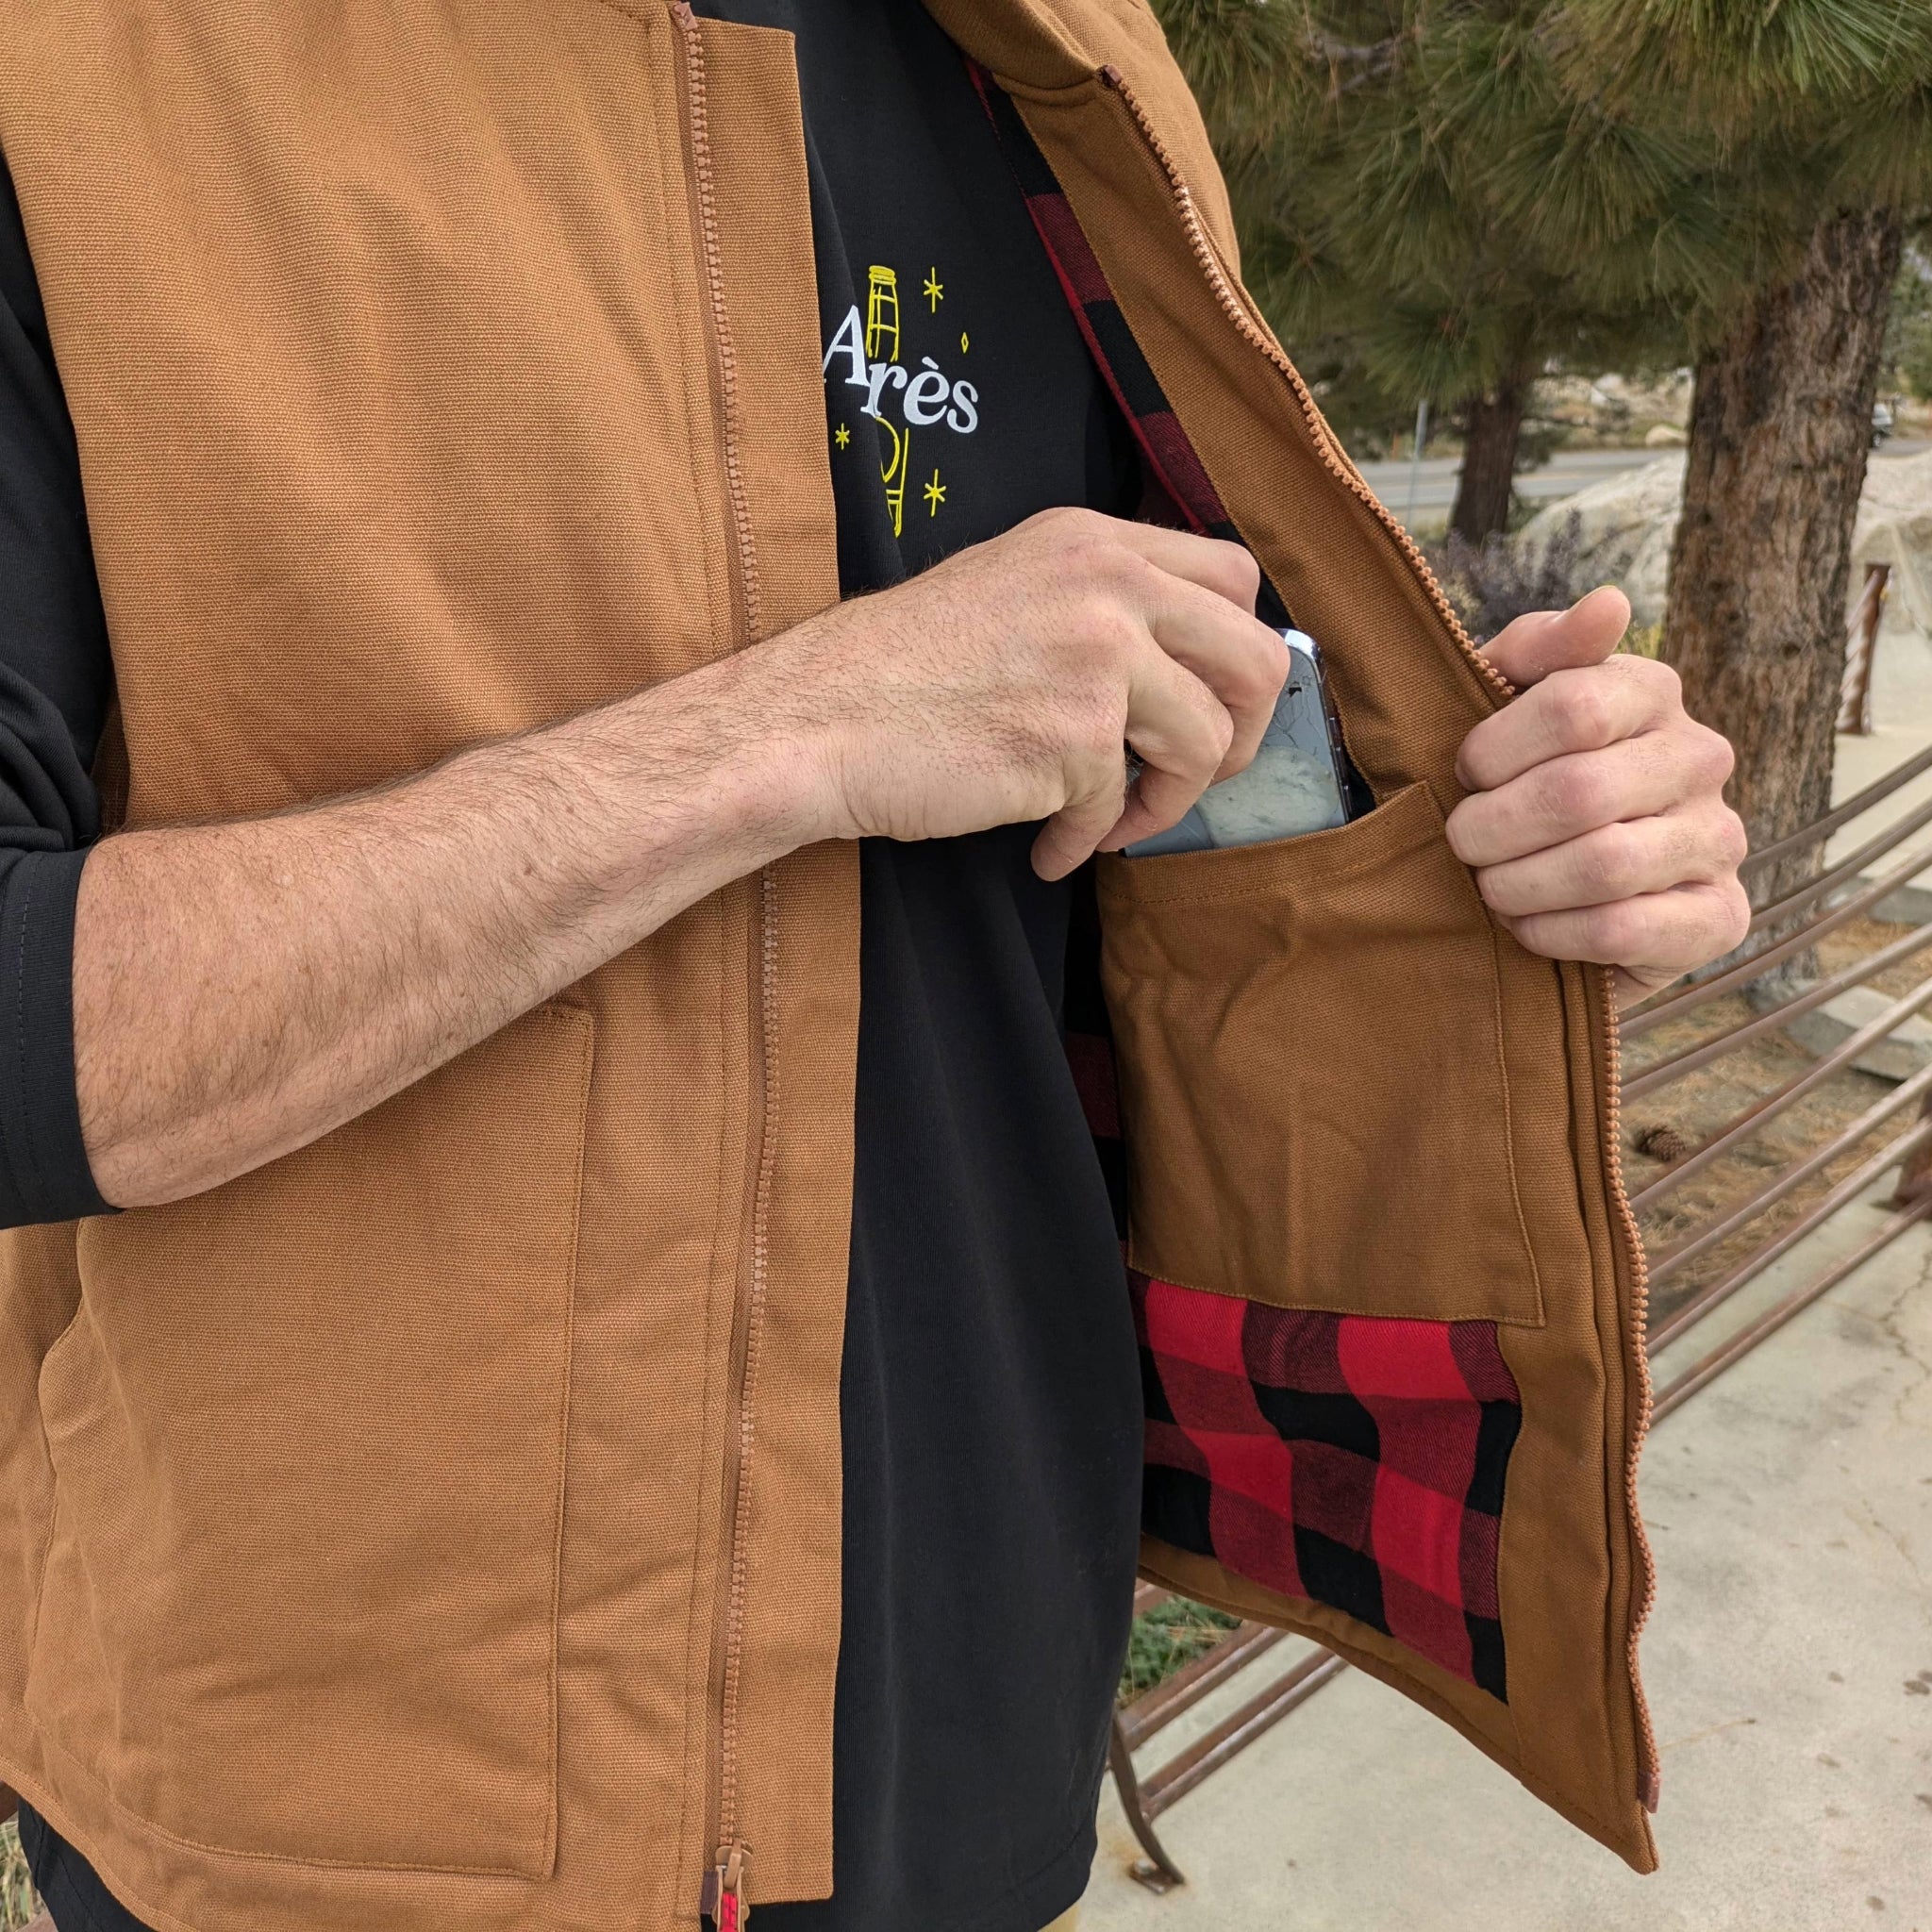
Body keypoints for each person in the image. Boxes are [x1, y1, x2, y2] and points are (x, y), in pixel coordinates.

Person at [0, 2, 1746, 1928]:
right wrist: (793, 726)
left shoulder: (1064, 57)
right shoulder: (81, 76)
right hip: (323, 1811)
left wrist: (1495, 831)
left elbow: (1154, 773)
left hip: (970, 1716)